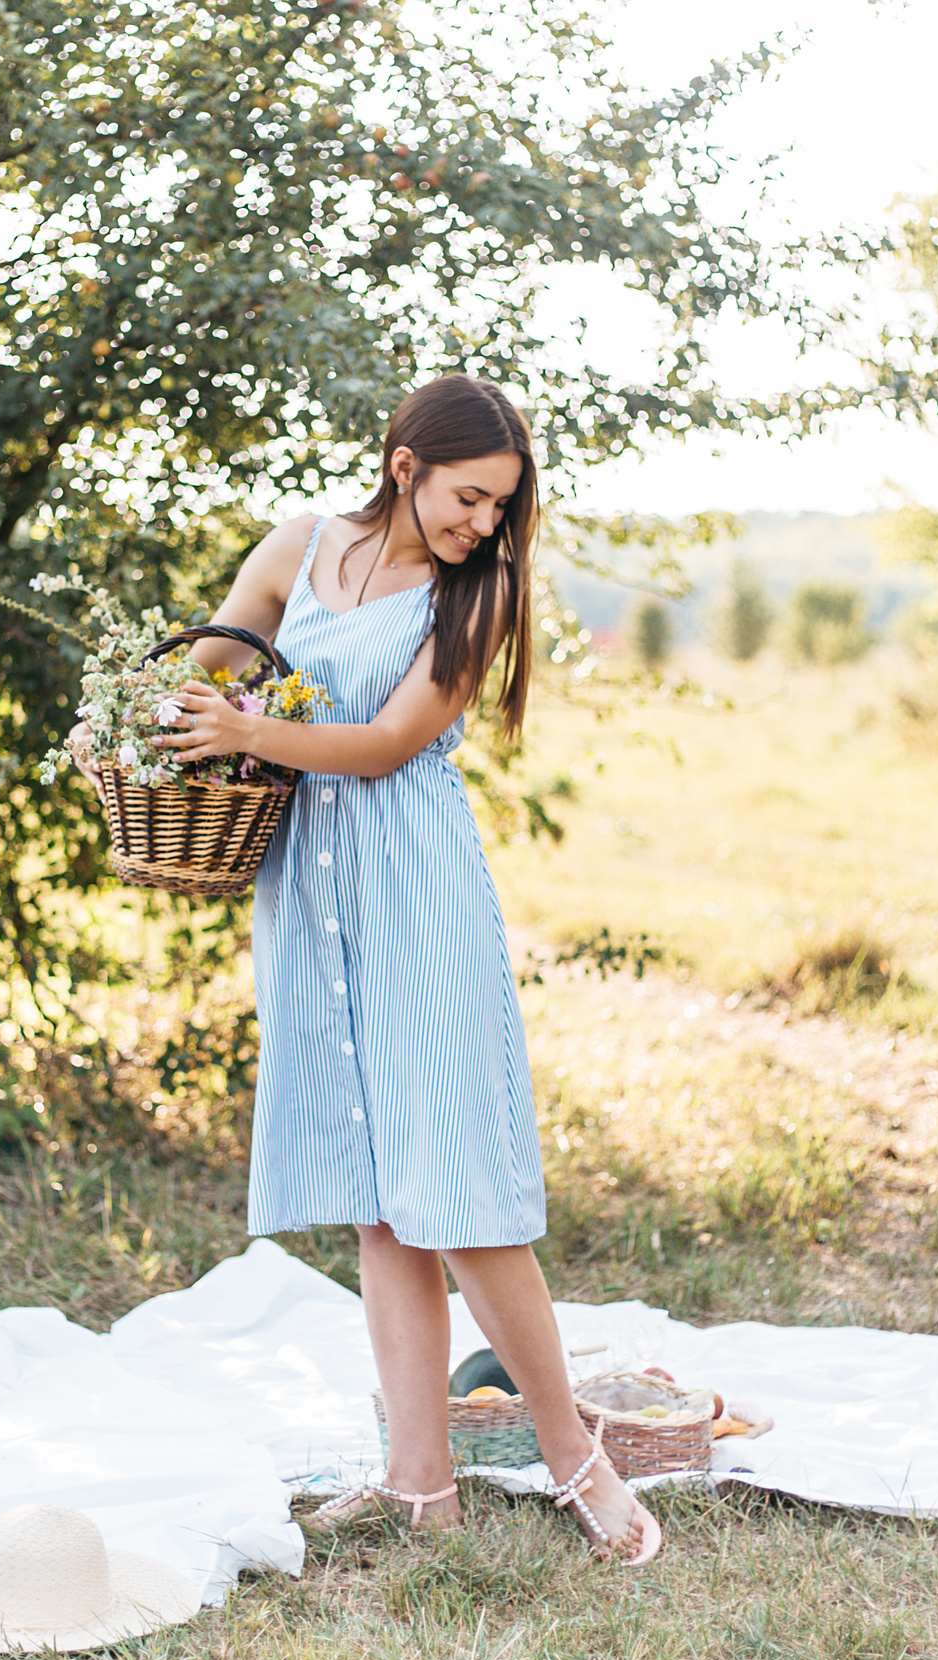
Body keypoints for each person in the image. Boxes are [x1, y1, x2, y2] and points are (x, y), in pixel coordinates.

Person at [147, 374, 662, 1565]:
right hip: (313, 896)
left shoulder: (472, 599)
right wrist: (162, 722)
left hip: (416, 894)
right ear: (404, 464)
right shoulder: (296, 549)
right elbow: (215, 673)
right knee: (384, 1209)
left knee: (465, 1203)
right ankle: (418, 1483)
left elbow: (383, 745)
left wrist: (249, 733)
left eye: (500, 509)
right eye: (471, 498)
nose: (483, 525)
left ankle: (575, 1459)